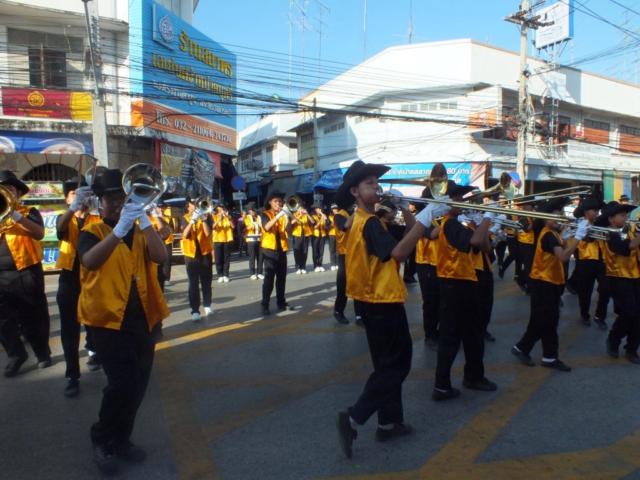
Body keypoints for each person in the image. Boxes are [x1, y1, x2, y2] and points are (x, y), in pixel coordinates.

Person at [334, 160, 443, 459]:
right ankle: (354, 416)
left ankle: (389, 423)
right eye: (369, 183)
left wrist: (408, 210)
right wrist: (425, 218)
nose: (377, 186)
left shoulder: (372, 220)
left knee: (386, 367)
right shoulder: (368, 222)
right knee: (398, 365)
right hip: (381, 301)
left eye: (376, 182)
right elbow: (399, 252)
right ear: (355, 192)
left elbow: (415, 235)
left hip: (375, 300)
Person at [77, 168, 169, 474]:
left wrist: (144, 220)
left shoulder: (140, 230)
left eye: (122, 197)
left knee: (139, 384)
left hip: (143, 318)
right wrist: (118, 231)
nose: (117, 203)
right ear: (100, 202)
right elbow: (90, 261)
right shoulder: (92, 231)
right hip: (106, 321)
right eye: (111, 198)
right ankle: (102, 438)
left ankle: (122, 439)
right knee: (121, 384)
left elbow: (161, 256)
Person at [429, 182, 498, 401]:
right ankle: (446, 384)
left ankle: (471, 376)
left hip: (466, 283)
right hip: (457, 284)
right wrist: (487, 217)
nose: (463, 202)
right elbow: (476, 241)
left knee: (472, 334)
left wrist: (480, 224)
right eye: (457, 198)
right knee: (454, 337)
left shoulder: (459, 224)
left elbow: (485, 248)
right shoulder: (449, 224)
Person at [511, 198, 584, 372]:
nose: (559, 217)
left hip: (549, 282)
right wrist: (578, 237)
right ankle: (532, 351)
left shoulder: (553, 233)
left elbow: (562, 248)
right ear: (545, 218)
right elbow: (564, 257)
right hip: (543, 283)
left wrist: (567, 237)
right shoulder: (548, 235)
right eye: (555, 215)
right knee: (546, 320)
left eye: (560, 214)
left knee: (546, 320)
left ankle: (543, 355)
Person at [0, 170, 51, 378]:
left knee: (33, 316)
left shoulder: (29, 211)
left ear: (18, 192)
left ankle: (42, 352)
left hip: (26, 272)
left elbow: (39, 233)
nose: (5, 191)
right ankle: (16, 355)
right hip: (0, 275)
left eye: (9, 188)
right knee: (2, 321)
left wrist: (14, 214)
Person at [56, 176, 102, 397]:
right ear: (67, 199)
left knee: (95, 322)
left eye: (83, 193)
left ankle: (94, 351)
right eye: (74, 194)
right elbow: (60, 228)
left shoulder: (97, 217)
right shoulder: (65, 217)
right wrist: (73, 209)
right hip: (69, 278)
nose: (79, 197)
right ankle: (72, 375)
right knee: (69, 329)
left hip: (93, 278)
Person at [598, 201, 640, 364]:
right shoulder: (609, 234)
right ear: (611, 219)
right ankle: (613, 339)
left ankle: (632, 349)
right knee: (629, 313)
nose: (626, 218)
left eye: (626, 215)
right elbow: (629, 247)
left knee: (638, 315)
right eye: (622, 215)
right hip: (618, 277)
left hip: (635, 276)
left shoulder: (627, 230)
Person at [571, 197, 609, 328]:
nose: (597, 213)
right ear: (586, 212)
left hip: (602, 260)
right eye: (594, 211)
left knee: (605, 289)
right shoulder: (579, 223)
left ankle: (600, 316)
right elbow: (586, 239)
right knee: (585, 291)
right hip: (586, 260)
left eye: (598, 211)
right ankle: (584, 314)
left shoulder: (601, 222)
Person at [260, 192, 293, 315]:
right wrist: (279, 215)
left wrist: (288, 217)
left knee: (281, 278)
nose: (278, 203)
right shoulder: (265, 214)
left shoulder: (283, 215)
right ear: (270, 202)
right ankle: (265, 304)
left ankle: (281, 302)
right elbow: (267, 227)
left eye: (280, 201)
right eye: (275, 201)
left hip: (282, 250)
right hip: (269, 250)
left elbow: (289, 232)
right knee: (269, 279)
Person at [181, 197, 214, 321]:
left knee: (207, 281)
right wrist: (192, 221)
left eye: (197, 203)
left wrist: (203, 219)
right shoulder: (184, 218)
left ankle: (207, 305)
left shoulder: (207, 216)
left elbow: (208, 234)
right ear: (188, 206)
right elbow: (185, 235)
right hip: (191, 255)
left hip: (205, 253)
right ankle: (195, 310)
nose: (195, 206)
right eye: (193, 204)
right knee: (193, 283)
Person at [332, 203, 352, 324]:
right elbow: (344, 227)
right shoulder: (339, 215)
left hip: (356, 253)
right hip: (344, 253)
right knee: (343, 284)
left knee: (358, 284)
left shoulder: (353, 213)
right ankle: (338, 310)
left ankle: (360, 315)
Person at [212, 204, 234, 283]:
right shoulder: (214, 216)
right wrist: (219, 219)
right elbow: (213, 227)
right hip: (217, 240)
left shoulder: (227, 217)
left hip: (227, 239)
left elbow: (233, 227)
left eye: (222, 208)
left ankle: (226, 275)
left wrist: (229, 218)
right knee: (218, 258)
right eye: (220, 209)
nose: (221, 210)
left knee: (226, 259)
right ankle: (220, 275)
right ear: (217, 209)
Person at [290, 204, 313, 274]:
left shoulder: (306, 215)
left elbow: (312, 222)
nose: (301, 210)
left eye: (302, 208)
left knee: (305, 251)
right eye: (299, 208)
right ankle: (298, 267)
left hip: (305, 235)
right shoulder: (294, 215)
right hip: (297, 235)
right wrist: (299, 215)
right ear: (297, 209)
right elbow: (292, 222)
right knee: (297, 251)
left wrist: (307, 214)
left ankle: (303, 267)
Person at [244, 203, 263, 280]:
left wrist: (261, 229)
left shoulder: (259, 217)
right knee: (252, 257)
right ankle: (252, 273)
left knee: (260, 257)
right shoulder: (247, 217)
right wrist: (255, 224)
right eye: (250, 210)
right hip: (251, 240)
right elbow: (248, 227)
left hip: (259, 239)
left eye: (252, 210)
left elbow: (262, 227)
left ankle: (260, 273)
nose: (251, 212)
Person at [311, 204, 328, 272]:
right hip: (315, 235)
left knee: (321, 250)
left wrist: (322, 214)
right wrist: (319, 222)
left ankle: (320, 264)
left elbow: (326, 220)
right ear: (315, 210)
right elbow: (314, 226)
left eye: (320, 209)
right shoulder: (313, 216)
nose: (319, 210)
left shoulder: (323, 215)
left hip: (322, 235)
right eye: (318, 209)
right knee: (315, 251)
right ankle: (316, 265)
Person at [328, 205, 338, 271]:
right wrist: (334, 221)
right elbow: (328, 226)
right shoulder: (329, 217)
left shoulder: (339, 215)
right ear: (331, 210)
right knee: (332, 249)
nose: (335, 210)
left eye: (336, 208)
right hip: (331, 234)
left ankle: (337, 263)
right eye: (334, 209)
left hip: (338, 234)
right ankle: (333, 264)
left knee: (337, 250)